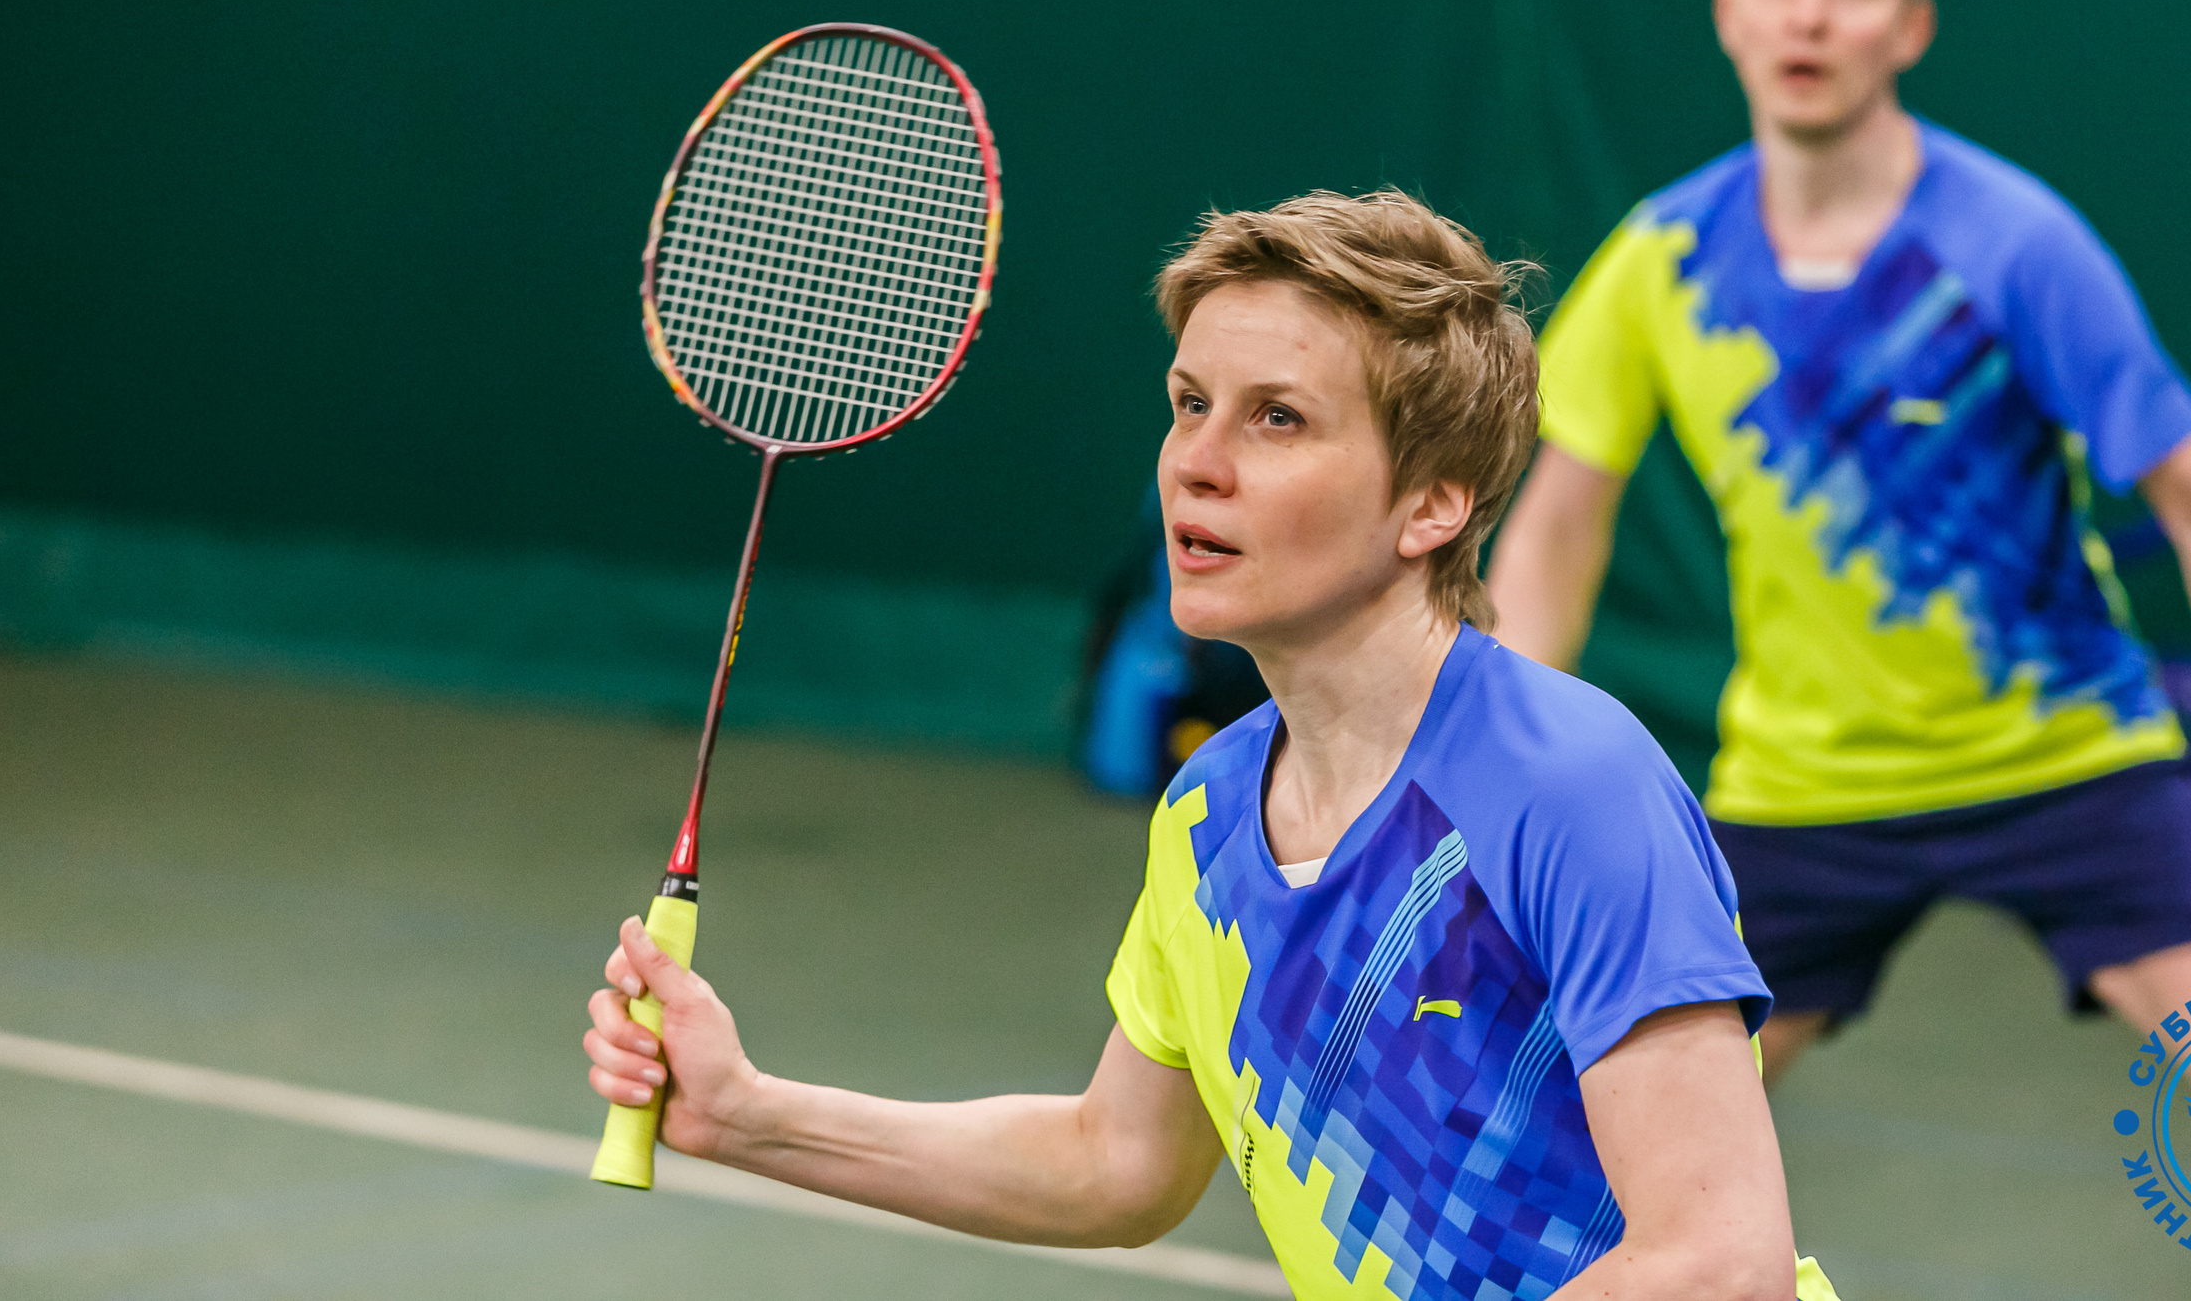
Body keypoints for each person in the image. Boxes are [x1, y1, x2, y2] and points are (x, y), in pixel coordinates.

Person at [1486, 0, 2191, 1299]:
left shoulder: (2014, 241)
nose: (1811, 16)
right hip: (1798, 796)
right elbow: (1560, 517)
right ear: (1728, 13)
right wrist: (1513, 766)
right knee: (1584, 1151)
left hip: (2074, 762)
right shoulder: (1664, 258)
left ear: (1910, 25)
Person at [586, 189, 1840, 1301]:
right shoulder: (1210, 812)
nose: (1195, 463)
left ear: (1433, 503)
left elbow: (1716, 1265)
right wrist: (750, 1117)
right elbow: (1115, 1164)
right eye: (1189, 404)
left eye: (1277, 420)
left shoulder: (1566, 785)